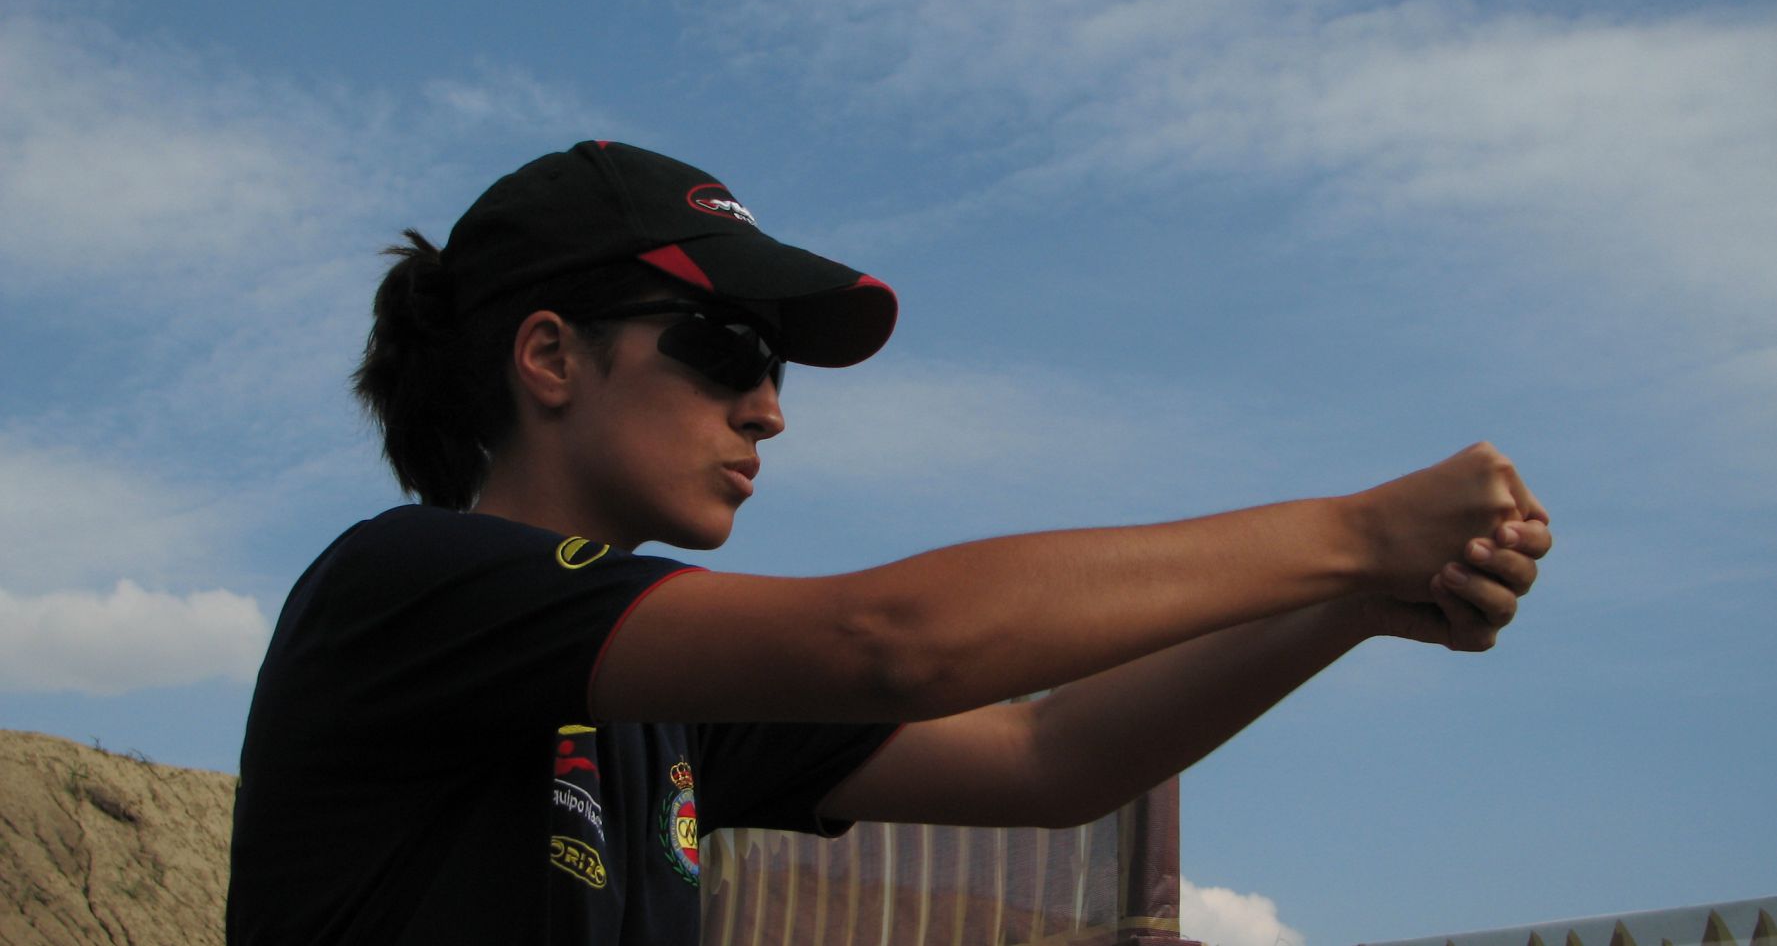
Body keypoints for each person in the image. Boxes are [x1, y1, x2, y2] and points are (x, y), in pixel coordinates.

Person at [226, 140, 1552, 945]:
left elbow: (1049, 758)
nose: (769, 408)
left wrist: (1355, 604)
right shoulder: (402, 588)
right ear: (550, 356)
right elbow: (890, 643)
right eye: (724, 349)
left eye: (775, 369)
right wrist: (1356, 534)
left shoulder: (657, 705)